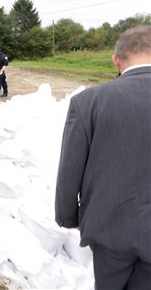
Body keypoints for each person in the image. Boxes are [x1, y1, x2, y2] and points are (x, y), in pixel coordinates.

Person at [55, 26, 151, 289]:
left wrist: (68, 216)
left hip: (110, 227)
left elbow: (70, 168)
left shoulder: (88, 102)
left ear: (116, 60)